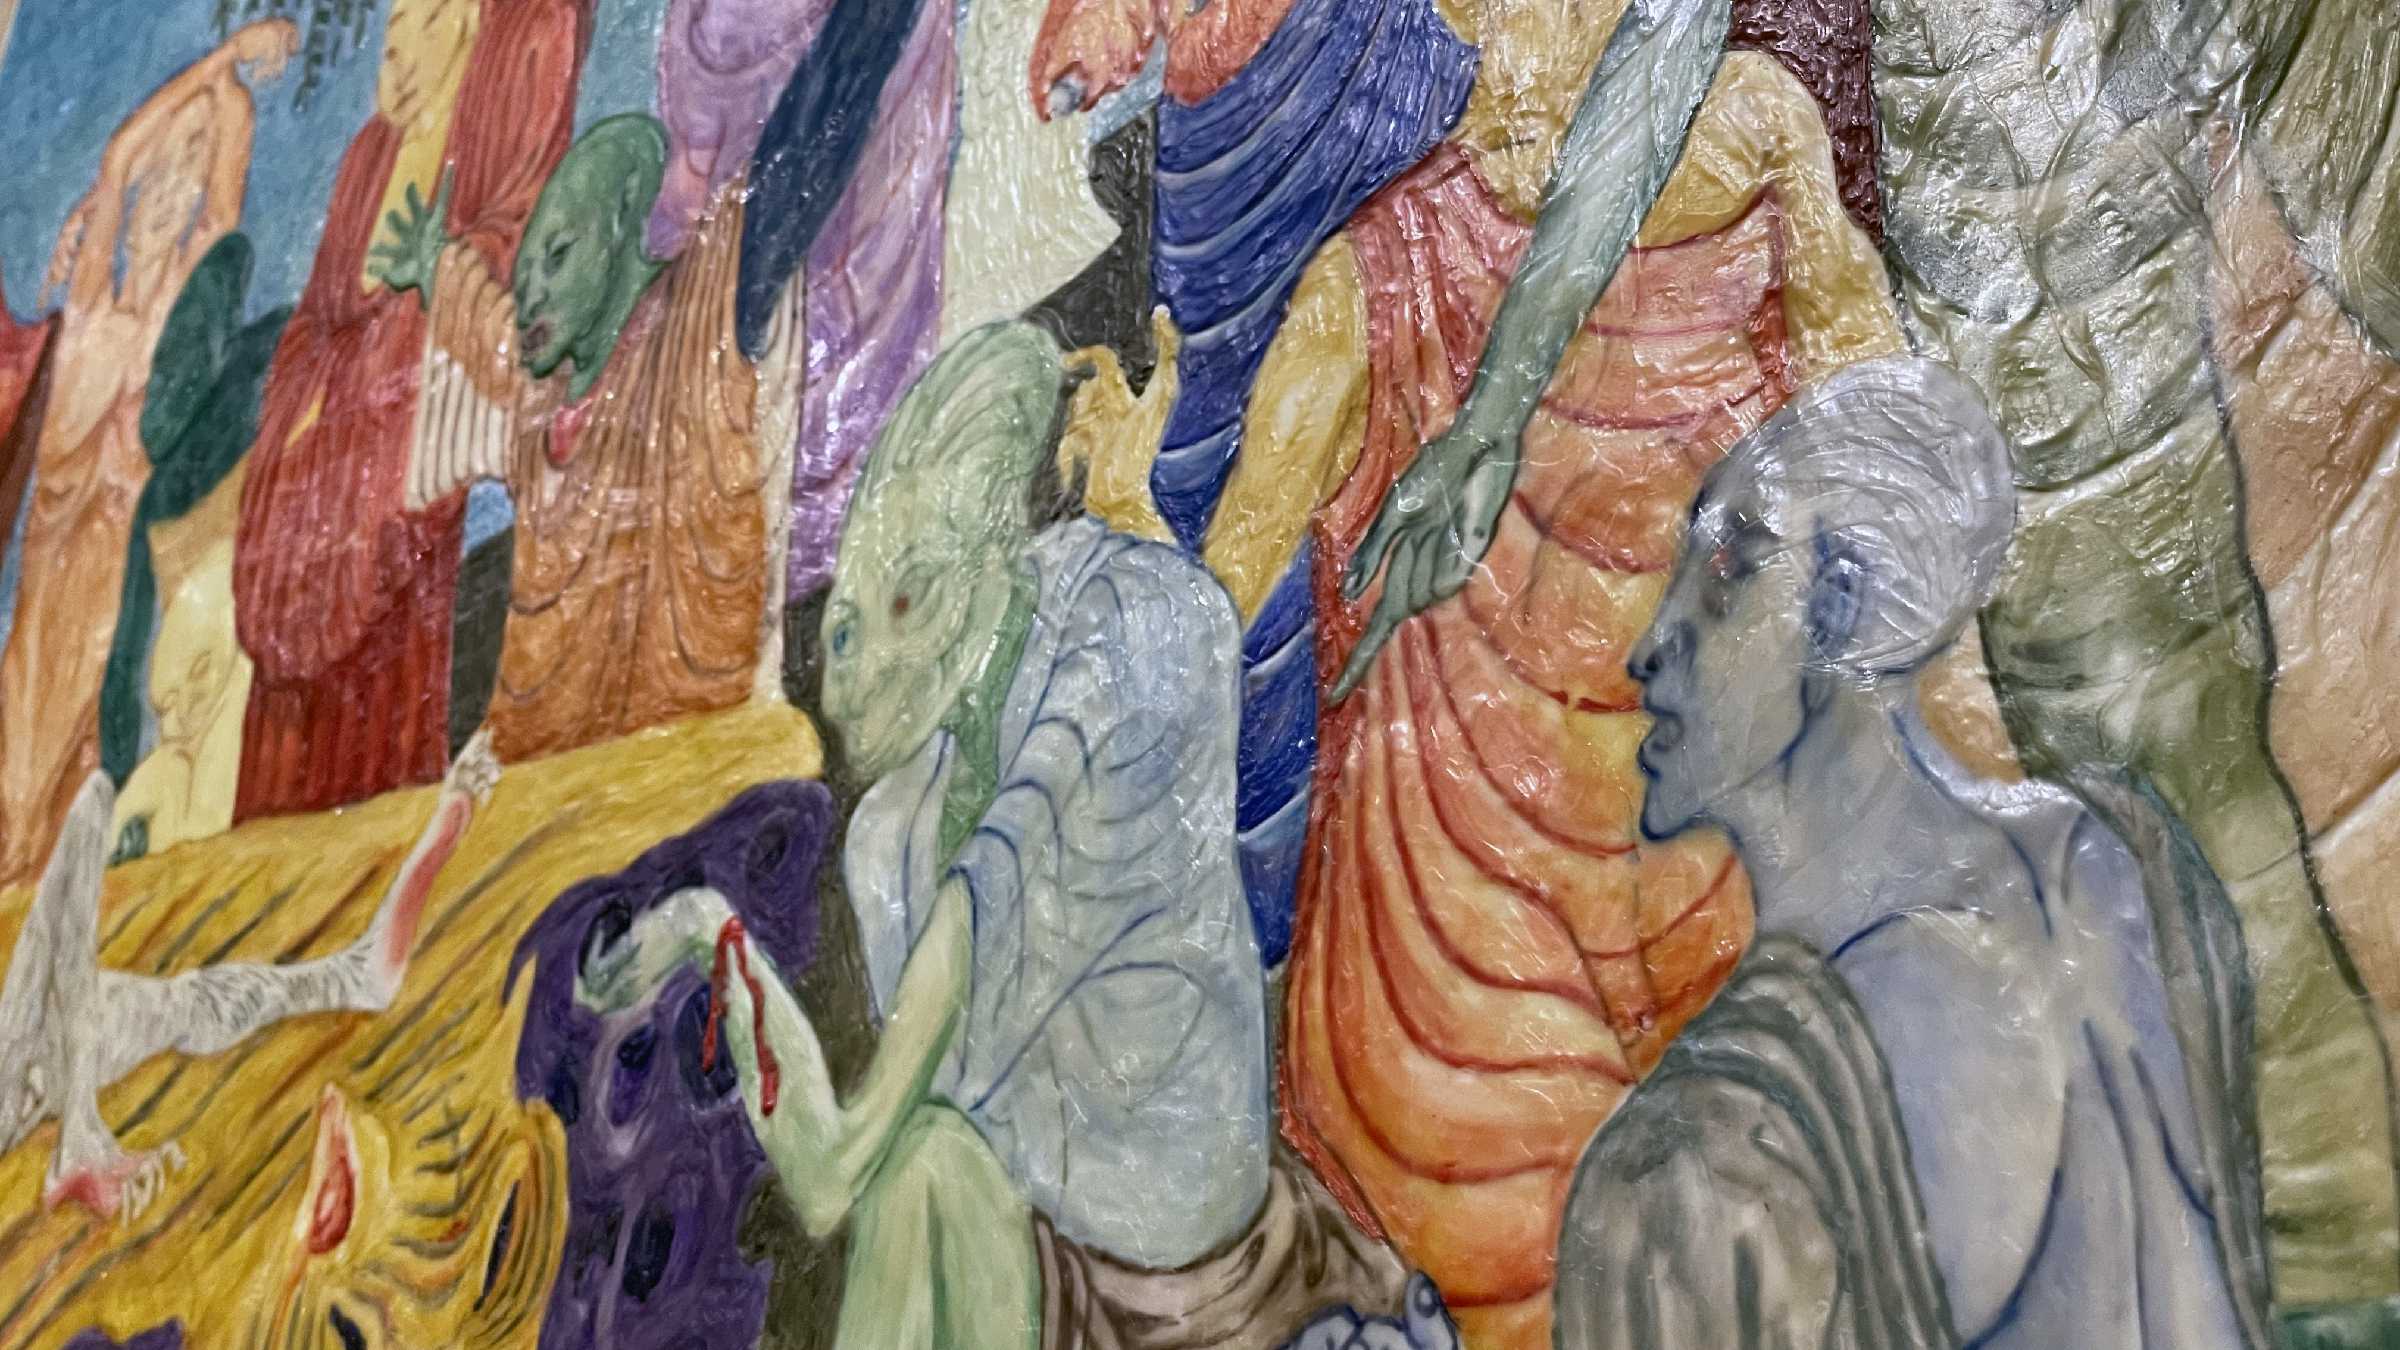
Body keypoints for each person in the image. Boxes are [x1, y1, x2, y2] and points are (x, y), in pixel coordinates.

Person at [1278, 0, 1901, 1340]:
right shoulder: (1372, 283)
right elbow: (1201, 627)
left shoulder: (1757, 146)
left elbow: (1900, 509)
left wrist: (1993, 852)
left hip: (1730, 880)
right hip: (1455, 948)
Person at [1554, 354, 2277, 1349]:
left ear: (1840, 606)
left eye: (1724, 576)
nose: (1651, 644)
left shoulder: (1696, 1166)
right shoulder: (2129, 880)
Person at [575, 322, 1271, 1347]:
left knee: (924, 1164)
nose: (845, 686)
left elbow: (1002, 860)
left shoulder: (1123, 614)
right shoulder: (891, 836)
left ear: (980, 560)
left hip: (1162, 1189)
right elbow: (834, 1166)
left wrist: (857, 1142)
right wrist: (705, 931)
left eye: (895, 607)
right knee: (922, 1165)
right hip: (1014, 1199)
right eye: (842, 634)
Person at [1868, 0, 2400, 1308]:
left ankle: (2337, 1264)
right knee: (2123, 810)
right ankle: (2291, 1263)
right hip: (1991, 256)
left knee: (2186, 788)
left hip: (2073, 268)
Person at [231, 0, 585, 819]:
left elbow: (508, 249)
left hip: (397, 480)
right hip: (317, 481)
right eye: (393, 26)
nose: (396, 46)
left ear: (461, 23)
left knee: (386, 702)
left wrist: (418, 307)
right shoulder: (369, 154)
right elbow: (315, 321)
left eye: (421, 20)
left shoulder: (512, 72)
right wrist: (317, 406)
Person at [0, 19, 291, 882]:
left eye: (184, 177)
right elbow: (121, 154)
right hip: (40, 619)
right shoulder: (91, 304)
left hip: (109, 623)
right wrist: (221, 57)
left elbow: (227, 185)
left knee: (74, 806)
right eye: (154, 181)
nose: (164, 194)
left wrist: (229, 81)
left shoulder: (176, 325)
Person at [0, 732, 498, 1224]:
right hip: (85, 1038)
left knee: (97, 815)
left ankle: (78, 1138)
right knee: (97, 811)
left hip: (77, 1036)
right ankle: (78, 1140)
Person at [400, 115, 778, 760]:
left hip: (678, 749)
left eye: (558, 257)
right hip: (539, 761)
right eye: (524, 282)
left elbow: (753, 213)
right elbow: (492, 336)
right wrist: (435, 266)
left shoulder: (688, 331)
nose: (531, 297)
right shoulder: (540, 400)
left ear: (626, 225)